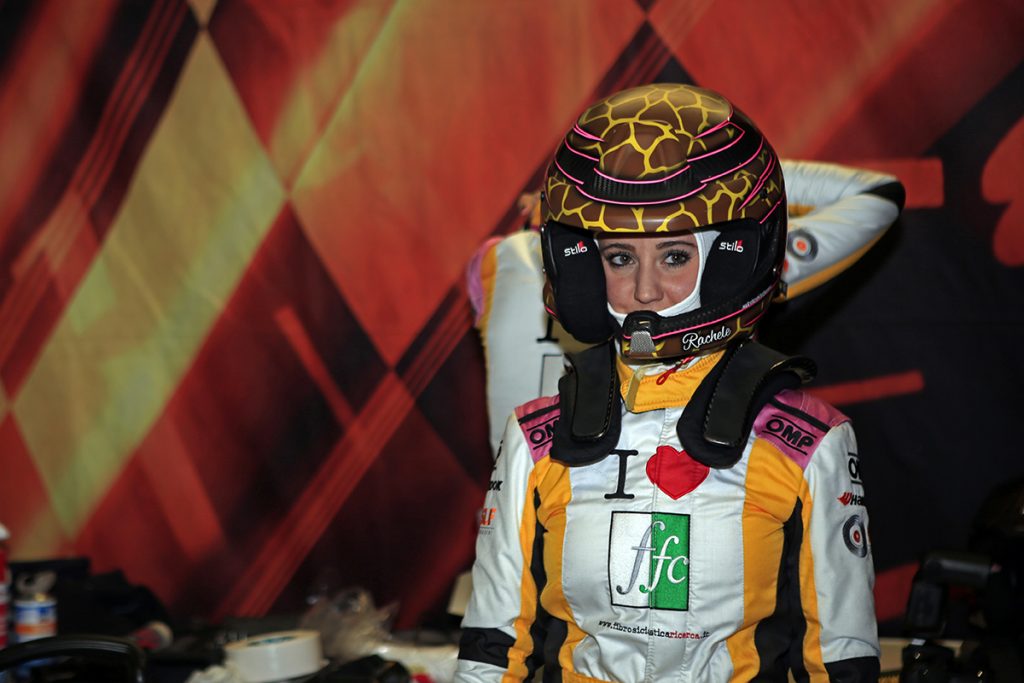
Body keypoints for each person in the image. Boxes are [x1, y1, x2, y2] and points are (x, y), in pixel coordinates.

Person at [455, 83, 887, 682]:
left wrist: (730, 175)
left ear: (731, 259)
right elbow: (491, 649)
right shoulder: (535, 438)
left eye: (676, 256)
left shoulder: (809, 440)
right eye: (619, 258)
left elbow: (840, 657)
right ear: (582, 265)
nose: (646, 289)